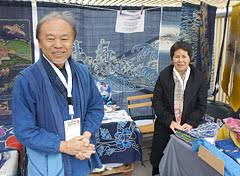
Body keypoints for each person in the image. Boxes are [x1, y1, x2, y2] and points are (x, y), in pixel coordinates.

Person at [12, 11, 104, 176]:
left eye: (64, 38)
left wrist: (86, 136)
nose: (58, 45)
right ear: (39, 42)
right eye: (50, 38)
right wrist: (64, 146)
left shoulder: (83, 72)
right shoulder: (26, 81)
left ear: (73, 41)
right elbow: (24, 130)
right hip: (48, 162)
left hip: (79, 157)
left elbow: (95, 107)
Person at [150, 41, 208, 175]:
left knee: (185, 162)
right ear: (172, 58)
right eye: (177, 56)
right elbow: (157, 102)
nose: (180, 60)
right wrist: (170, 121)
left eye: (184, 56)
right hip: (166, 125)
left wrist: (191, 123)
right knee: (159, 160)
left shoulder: (199, 78)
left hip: (188, 128)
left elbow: (202, 105)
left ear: (190, 58)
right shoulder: (164, 75)